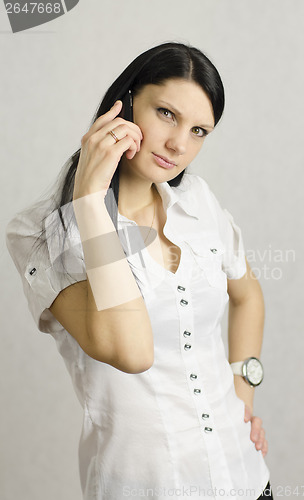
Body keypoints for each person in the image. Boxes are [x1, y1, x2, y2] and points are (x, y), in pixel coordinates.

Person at [6, 42, 273, 500]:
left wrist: (242, 389)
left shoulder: (198, 202)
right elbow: (132, 352)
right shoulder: (40, 234)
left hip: (245, 479)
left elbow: (248, 295)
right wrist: (90, 203)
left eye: (199, 131)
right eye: (166, 113)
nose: (179, 145)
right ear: (125, 103)